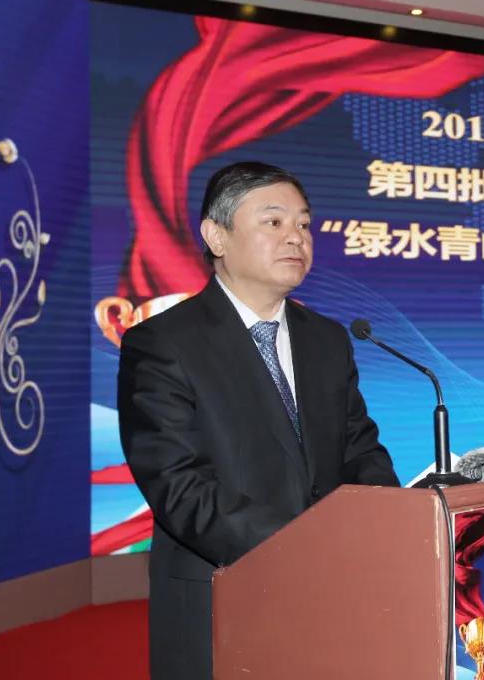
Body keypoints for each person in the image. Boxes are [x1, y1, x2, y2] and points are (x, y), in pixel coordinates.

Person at [118, 161, 400, 680]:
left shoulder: (327, 339)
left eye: (304, 223)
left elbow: (360, 450)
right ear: (216, 236)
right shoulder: (162, 343)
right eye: (274, 221)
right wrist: (304, 548)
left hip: (335, 596)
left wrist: (386, 526)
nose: (296, 237)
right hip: (223, 595)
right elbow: (178, 486)